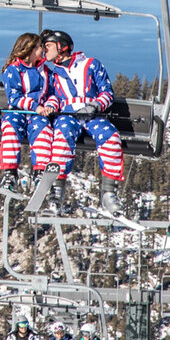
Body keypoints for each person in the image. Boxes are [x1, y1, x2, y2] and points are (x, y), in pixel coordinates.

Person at [40, 29, 126, 215]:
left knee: (110, 137)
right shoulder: (54, 74)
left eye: (48, 46)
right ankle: (57, 191)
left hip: (91, 114)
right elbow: (53, 96)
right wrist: (51, 106)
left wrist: (95, 105)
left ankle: (109, 193)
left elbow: (106, 93)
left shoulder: (91, 65)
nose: (45, 51)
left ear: (61, 46)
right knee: (62, 136)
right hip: (67, 115)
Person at [0, 33, 56, 191]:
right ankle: (10, 172)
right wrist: (35, 106)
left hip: (38, 114)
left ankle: (40, 172)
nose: (41, 50)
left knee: (43, 131)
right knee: (10, 129)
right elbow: (14, 97)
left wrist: (50, 105)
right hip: (18, 112)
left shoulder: (44, 71)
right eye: (38, 47)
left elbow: (52, 93)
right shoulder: (13, 70)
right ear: (28, 50)